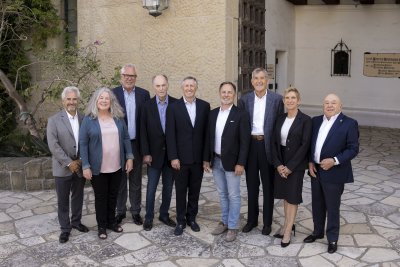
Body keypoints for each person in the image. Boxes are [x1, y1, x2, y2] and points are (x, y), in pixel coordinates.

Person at [304, 93, 359, 254]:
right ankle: (317, 231)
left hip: (334, 173)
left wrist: (334, 160)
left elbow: (353, 149)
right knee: (317, 204)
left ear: (340, 106)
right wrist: (310, 162)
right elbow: (309, 145)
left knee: (332, 207)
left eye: (333, 103)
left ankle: (332, 238)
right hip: (316, 171)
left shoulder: (349, 123)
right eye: (326, 103)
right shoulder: (315, 121)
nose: (329, 105)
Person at [79, 87, 134, 239]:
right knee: (101, 197)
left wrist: (129, 157)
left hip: (116, 165)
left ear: (111, 101)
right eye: (101, 98)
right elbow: (83, 143)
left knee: (113, 195)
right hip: (98, 168)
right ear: (96, 101)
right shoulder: (88, 119)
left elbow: (126, 138)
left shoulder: (118, 117)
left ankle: (111, 222)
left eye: (107, 98)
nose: (104, 100)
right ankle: (102, 226)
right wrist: (86, 166)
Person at [238, 67, 284, 235]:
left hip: (268, 146)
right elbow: (241, 127)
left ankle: (267, 223)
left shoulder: (277, 100)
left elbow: (279, 127)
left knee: (268, 186)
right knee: (252, 186)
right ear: (251, 81)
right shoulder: (245, 100)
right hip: (251, 146)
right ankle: (251, 220)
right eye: (256, 78)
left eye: (262, 78)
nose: (259, 81)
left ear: (267, 80)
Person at [203, 82, 250, 242]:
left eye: (230, 92)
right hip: (216, 161)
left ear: (234, 95)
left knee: (234, 195)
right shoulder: (213, 113)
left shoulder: (241, 114)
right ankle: (224, 222)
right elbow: (208, 138)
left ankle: (232, 226)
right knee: (223, 194)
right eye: (223, 92)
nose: (226, 95)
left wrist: (241, 163)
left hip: (233, 163)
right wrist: (206, 159)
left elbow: (245, 142)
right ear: (219, 93)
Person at [166, 76, 210, 236]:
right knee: (180, 191)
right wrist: (173, 157)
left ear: (196, 88)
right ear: (182, 88)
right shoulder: (173, 107)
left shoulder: (205, 106)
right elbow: (170, 135)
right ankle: (180, 220)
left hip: (198, 159)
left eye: (192, 86)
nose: (189, 88)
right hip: (180, 159)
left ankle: (192, 218)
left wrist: (206, 158)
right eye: (187, 86)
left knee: (195, 191)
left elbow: (207, 135)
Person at [47, 86, 89, 243]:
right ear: (63, 101)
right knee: (63, 199)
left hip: (79, 165)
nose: (71, 102)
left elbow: (87, 142)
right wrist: (68, 162)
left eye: (74, 99)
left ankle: (76, 222)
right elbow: (53, 146)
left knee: (78, 196)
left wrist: (80, 161)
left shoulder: (84, 119)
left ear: (78, 101)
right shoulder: (54, 120)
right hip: (62, 167)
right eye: (68, 99)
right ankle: (65, 228)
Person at [271, 87, 312, 247]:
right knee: (285, 196)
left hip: (296, 164)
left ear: (298, 100)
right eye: (287, 98)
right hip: (281, 162)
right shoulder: (280, 118)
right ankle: (287, 224)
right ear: (284, 101)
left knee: (293, 197)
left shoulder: (306, 120)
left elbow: (305, 145)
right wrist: (278, 164)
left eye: (293, 98)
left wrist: (290, 167)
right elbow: (274, 143)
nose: (290, 100)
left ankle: (287, 231)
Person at [113, 63, 150, 225]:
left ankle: (135, 211)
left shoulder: (144, 94)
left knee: (136, 179)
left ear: (136, 78)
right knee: (120, 179)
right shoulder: (112, 94)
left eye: (132, 76)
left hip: (136, 144)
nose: (129, 78)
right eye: (126, 76)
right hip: (118, 145)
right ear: (121, 77)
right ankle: (120, 211)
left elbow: (148, 122)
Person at [140, 74, 177, 231]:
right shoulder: (146, 106)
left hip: (170, 155)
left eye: (163, 85)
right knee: (151, 188)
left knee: (168, 187)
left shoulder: (176, 104)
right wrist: (146, 153)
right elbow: (143, 131)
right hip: (153, 155)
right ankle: (149, 216)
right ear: (153, 87)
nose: (161, 88)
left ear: (167, 85)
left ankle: (164, 214)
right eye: (158, 86)